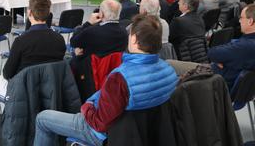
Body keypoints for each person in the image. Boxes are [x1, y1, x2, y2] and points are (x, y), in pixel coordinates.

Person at [33, 15, 178, 146]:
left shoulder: (121, 78)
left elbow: (99, 123)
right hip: (139, 133)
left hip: (101, 132)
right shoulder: (169, 71)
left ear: (134, 39)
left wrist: (87, 106)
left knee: (42, 118)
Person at [0, 0, 65, 138]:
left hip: (22, 90)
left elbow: (7, 73)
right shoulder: (59, 39)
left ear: (29, 13)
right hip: (49, 89)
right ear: (49, 14)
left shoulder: (21, 41)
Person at [208, 3, 255, 90]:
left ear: (250, 21)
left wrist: (222, 59)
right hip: (219, 81)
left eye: (241, 17)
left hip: (213, 85)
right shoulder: (246, 44)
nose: (239, 21)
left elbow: (212, 53)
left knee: (175, 67)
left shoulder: (244, 46)